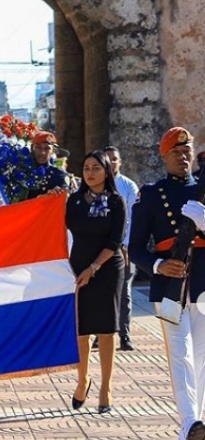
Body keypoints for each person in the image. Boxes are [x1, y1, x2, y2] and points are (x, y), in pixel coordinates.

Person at [129, 126, 205, 440]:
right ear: (165, 156)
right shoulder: (151, 193)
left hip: (203, 283)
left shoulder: (203, 191)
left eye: (187, 150)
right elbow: (135, 249)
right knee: (180, 356)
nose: (184, 156)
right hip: (169, 287)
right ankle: (191, 422)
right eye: (177, 151)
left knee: (203, 360)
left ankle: (194, 434)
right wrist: (159, 266)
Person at [65, 150, 126, 416]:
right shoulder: (74, 201)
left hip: (107, 267)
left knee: (106, 328)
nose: (90, 173)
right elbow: (55, 225)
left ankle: (106, 387)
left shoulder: (116, 201)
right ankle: (83, 380)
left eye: (96, 168)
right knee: (81, 328)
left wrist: (94, 268)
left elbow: (114, 242)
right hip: (78, 268)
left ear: (107, 171)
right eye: (86, 168)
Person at [102, 145, 139, 351]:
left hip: (123, 249)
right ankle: (102, 333)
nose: (111, 163)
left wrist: (126, 245)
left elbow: (134, 219)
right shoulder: (96, 184)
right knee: (102, 292)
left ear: (120, 162)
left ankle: (124, 335)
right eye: (107, 159)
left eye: (114, 159)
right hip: (100, 248)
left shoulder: (128, 187)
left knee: (123, 293)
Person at [27, 131, 71, 199]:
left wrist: (56, 193)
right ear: (32, 148)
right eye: (38, 147)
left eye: (47, 148)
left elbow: (65, 195)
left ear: (53, 151)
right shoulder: (22, 170)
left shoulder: (59, 174)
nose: (42, 153)